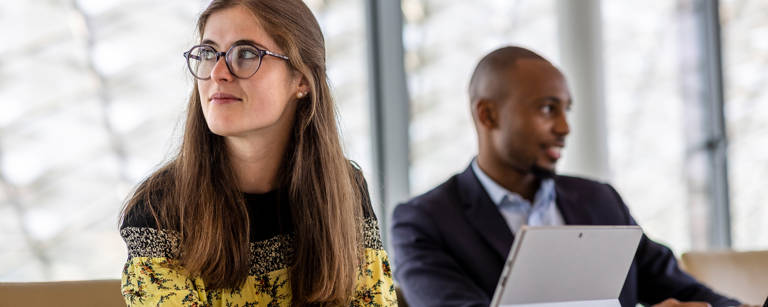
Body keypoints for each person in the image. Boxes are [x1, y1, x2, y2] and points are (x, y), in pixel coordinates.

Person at [391, 46, 743, 307]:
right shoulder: (424, 221)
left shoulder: (599, 199)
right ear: (488, 115)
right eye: (548, 109)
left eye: (566, 110)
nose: (564, 127)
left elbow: (677, 285)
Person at [118, 1, 396, 306]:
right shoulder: (159, 209)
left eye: (247, 54)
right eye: (209, 53)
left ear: (301, 79)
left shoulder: (343, 187)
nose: (218, 73)